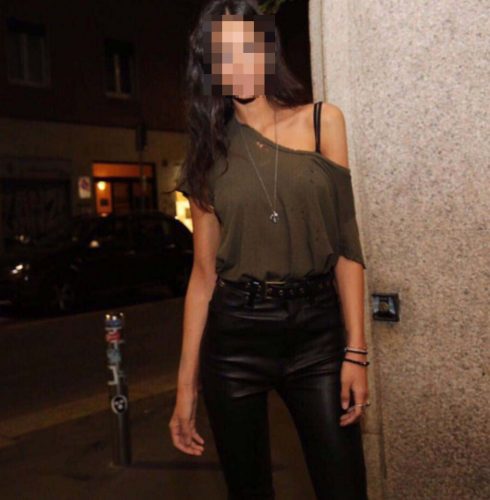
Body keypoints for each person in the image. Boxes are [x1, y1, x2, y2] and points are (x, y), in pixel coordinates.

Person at [169, 1, 370, 498]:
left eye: (246, 47)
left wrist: (356, 351)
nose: (236, 64)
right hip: (236, 337)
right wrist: (185, 387)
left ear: (267, 49)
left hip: (317, 335)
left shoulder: (323, 121)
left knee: (344, 486)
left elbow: (347, 246)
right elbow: (203, 276)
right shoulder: (208, 154)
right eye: (222, 53)